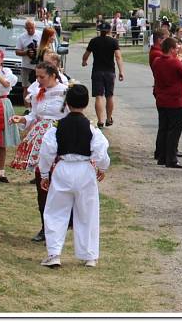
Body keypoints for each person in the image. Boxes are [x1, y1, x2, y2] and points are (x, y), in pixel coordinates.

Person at [38, 84, 111, 267]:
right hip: (85, 169)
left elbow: (47, 151)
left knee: (56, 211)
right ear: (86, 104)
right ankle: (90, 256)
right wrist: (102, 168)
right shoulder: (92, 128)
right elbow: (101, 150)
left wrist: (45, 174)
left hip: (63, 167)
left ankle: (54, 254)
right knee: (87, 212)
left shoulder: (56, 127)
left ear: (67, 104)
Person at [10, 62, 68, 243]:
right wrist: (23, 119)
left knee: (58, 182)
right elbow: (34, 115)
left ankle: (62, 223)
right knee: (42, 182)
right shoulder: (38, 93)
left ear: (53, 75)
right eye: (37, 76)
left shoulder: (65, 92)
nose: (38, 80)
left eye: (42, 76)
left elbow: (72, 114)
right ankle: (45, 226)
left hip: (59, 138)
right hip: (40, 140)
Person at [152, 37, 182, 169]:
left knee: (163, 129)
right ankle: (171, 159)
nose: (177, 50)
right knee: (174, 131)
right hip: (175, 101)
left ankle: (162, 157)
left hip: (161, 100)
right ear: (171, 49)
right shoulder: (174, 62)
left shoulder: (156, 61)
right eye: (176, 48)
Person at [82, 22, 125, 130]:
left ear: (99, 30)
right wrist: (121, 71)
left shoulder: (94, 41)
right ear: (110, 30)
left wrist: (84, 61)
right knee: (109, 96)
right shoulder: (113, 41)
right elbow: (118, 57)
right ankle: (109, 118)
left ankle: (100, 121)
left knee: (98, 96)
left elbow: (86, 54)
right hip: (110, 72)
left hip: (97, 71)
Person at [0, 49, 20, 182]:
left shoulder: (7, 72)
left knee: (2, 141)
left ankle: (1, 171)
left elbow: (6, 84)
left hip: (2, 103)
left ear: (1, 60)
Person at [15, 18, 42, 101]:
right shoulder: (21, 37)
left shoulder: (40, 35)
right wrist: (26, 52)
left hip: (39, 66)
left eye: (32, 28)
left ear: (35, 26)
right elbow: (17, 51)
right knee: (26, 87)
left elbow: (47, 48)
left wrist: (38, 51)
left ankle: (37, 104)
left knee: (40, 86)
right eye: (28, 28)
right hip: (26, 66)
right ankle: (27, 108)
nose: (30, 30)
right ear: (25, 28)